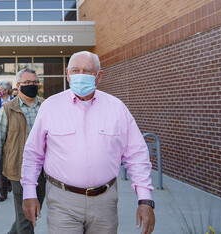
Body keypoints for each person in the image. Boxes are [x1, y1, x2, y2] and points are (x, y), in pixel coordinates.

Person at [21, 51, 156, 234]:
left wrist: (145, 200)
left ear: (98, 76)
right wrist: (29, 193)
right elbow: (33, 153)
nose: (81, 75)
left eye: (87, 70)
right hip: (62, 201)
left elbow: (136, 154)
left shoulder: (116, 108)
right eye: (76, 70)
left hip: (104, 203)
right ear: (68, 74)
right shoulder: (50, 107)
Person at [0, 68, 46, 234]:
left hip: (44, 172)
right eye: (27, 83)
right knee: (26, 218)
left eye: (34, 82)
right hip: (19, 171)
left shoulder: (46, 106)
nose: (31, 85)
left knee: (30, 214)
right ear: (18, 85)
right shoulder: (7, 109)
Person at [0, 80, 13, 202]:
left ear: (6, 90)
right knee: (1, 166)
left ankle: (11, 182)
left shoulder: (15, 102)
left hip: (12, 138)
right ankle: (3, 192)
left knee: (11, 163)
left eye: (0, 90)